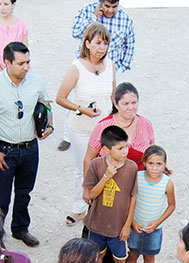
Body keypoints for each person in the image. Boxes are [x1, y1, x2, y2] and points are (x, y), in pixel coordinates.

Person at [0, 41, 53, 247]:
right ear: (7, 63)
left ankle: (20, 229)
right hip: (4, 150)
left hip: (29, 148)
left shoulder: (35, 82)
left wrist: (49, 126)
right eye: (21, 63)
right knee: (0, 198)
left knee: (24, 192)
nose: (26, 67)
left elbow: (46, 105)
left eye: (28, 62)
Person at [56, 23, 115, 227]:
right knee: (83, 168)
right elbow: (61, 98)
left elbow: (113, 96)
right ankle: (79, 207)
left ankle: (100, 207)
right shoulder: (77, 68)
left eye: (105, 43)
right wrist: (81, 109)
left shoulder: (111, 67)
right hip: (81, 128)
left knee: (107, 167)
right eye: (98, 43)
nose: (102, 48)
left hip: (105, 128)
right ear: (87, 43)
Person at [58, 0, 135, 153]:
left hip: (110, 68)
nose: (110, 11)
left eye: (114, 7)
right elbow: (76, 32)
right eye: (107, 6)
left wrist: (121, 67)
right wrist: (94, 18)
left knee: (107, 99)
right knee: (78, 98)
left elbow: (130, 44)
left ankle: (106, 130)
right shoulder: (87, 11)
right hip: (87, 67)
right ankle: (68, 136)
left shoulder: (125, 19)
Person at [83, 125, 137, 263]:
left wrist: (127, 225)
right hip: (97, 225)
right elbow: (91, 195)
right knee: (96, 260)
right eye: (120, 148)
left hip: (119, 228)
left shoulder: (131, 168)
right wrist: (106, 177)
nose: (125, 151)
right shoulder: (96, 165)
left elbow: (133, 197)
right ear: (106, 150)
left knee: (120, 262)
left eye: (126, 146)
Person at [122, 146, 175, 263]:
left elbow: (172, 205)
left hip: (154, 229)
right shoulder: (137, 178)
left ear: (165, 165)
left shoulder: (167, 183)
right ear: (144, 162)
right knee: (132, 255)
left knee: (149, 257)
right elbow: (127, 200)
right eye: (151, 163)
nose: (155, 168)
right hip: (136, 225)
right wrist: (132, 222)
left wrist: (157, 222)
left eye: (159, 164)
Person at [84, 83, 154, 173]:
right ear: (116, 104)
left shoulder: (146, 124)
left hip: (138, 181)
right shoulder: (103, 126)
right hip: (109, 182)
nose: (130, 108)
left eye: (134, 103)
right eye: (125, 104)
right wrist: (88, 185)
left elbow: (151, 154)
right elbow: (89, 159)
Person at [0, 0, 28, 78]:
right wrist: (2, 73)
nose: (2, 8)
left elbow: (24, 53)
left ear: (13, 4)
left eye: (6, 4)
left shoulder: (21, 26)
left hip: (16, 72)